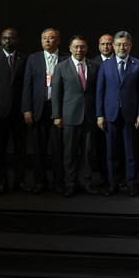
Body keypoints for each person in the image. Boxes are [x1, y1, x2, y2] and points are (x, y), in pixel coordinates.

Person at [96, 31, 139, 196]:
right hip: (110, 115)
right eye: (118, 44)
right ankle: (113, 184)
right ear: (113, 46)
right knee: (111, 152)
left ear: (130, 46)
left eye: (125, 44)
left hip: (130, 114)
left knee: (131, 151)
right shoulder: (106, 65)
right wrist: (100, 115)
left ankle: (131, 184)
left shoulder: (137, 64)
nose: (121, 47)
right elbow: (100, 92)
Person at [51, 35, 101, 197]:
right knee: (69, 153)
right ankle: (70, 184)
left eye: (82, 47)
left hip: (89, 116)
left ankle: (86, 182)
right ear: (70, 48)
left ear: (87, 48)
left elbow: (97, 92)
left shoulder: (94, 66)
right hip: (69, 116)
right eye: (76, 47)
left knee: (87, 153)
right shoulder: (61, 67)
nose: (79, 50)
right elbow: (56, 93)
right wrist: (57, 115)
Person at [22, 27, 69, 194]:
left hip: (59, 110)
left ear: (58, 40)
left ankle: (59, 182)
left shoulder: (66, 58)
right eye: (44, 38)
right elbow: (27, 85)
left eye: (51, 38)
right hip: (39, 109)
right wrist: (27, 109)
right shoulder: (33, 58)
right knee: (38, 149)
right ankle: (40, 181)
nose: (47, 41)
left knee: (58, 149)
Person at [0, 28, 28, 195]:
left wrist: (26, 109)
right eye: (4, 38)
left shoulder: (23, 59)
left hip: (19, 113)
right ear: (1, 40)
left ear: (17, 40)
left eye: (11, 38)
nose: (8, 41)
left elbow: (27, 86)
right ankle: (1, 181)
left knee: (20, 151)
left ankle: (19, 182)